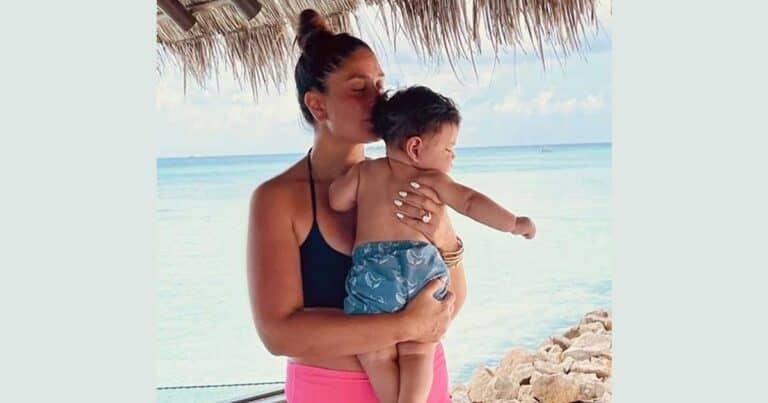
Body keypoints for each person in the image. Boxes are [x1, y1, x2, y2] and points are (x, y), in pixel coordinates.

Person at [247, 9, 466, 403]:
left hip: (423, 383)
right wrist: (404, 326)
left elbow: (448, 303)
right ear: (318, 106)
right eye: (359, 88)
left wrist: (447, 239)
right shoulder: (278, 199)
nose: (378, 100)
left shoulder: (407, 179)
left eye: (380, 85)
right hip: (328, 392)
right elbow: (278, 334)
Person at [329, 86, 535, 403]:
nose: (453, 156)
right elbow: (471, 202)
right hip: (420, 276)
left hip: (374, 279)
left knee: (375, 354)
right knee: (419, 351)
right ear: (415, 147)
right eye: (449, 148)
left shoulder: (366, 171)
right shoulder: (433, 181)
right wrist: (514, 223)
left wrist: (352, 180)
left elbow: (337, 201)